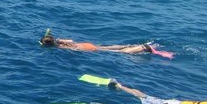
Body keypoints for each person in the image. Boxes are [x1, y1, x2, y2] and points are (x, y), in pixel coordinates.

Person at [40, 29, 173, 58]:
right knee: (116, 46)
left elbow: (74, 50)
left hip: (89, 50)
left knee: (119, 52)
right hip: (89, 44)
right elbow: (71, 41)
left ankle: (144, 48)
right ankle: (141, 45)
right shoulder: (61, 41)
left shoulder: (61, 47)